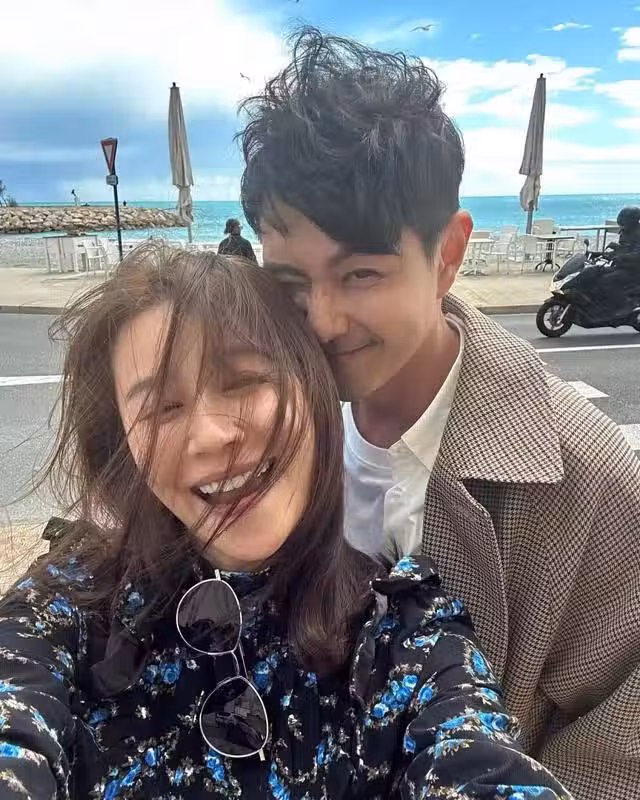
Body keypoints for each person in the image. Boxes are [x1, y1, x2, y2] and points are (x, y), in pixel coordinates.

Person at [0, 244, 572, 799]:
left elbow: (473, 758)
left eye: (245, 380)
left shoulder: (401, 635)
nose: (210, 436)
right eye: (162, 408)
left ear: (312, 389)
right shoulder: (71, 605)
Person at [239, 27, 640, 799]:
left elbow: (621, 754)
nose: (322, 320)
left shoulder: (585, 481)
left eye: (361, 274)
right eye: (290, 282)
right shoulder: (260, 428)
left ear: (449, 254)